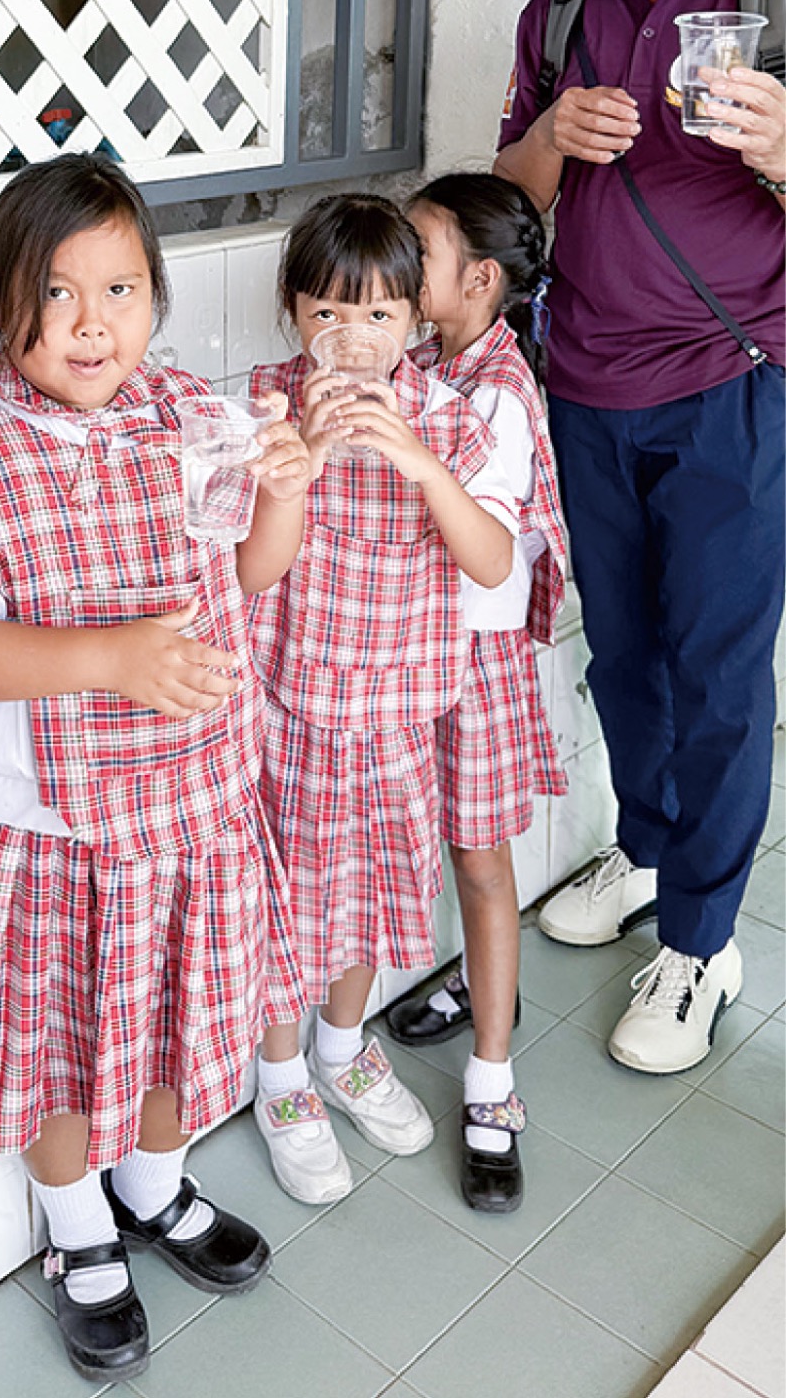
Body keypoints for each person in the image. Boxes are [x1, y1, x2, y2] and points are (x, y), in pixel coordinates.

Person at [0, 154, 312, 1386]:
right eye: (57, 293)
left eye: (121, 290)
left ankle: (159, 1189)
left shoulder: (184, 411)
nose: (92, 323)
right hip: (47, 832)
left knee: (178, 1028)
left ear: (155, 299)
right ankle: (79, 1236)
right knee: (65, 1047)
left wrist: (289, 489)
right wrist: (111, 656)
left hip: (195, 808)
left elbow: (251, 575)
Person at [495, 0, 785, 1074]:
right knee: (624, 653)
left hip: (739, 386)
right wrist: (557, 130)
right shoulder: (566, 3)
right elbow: (504, 199)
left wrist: (783, 144)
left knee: (722, 671)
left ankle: (703, 940)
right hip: (586, 385)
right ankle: (651, 849)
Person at [246, 193, 519, 1206]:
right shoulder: (268, 407)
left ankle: (343, 1049)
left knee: (365, 900)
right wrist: (307, 456)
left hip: (399, 719)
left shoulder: (447, 416)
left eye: (378, 317)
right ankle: (282, 1084)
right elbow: (245, 575)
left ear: (416, 319)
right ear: (293, 310)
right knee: (287, 908)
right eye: (328, 313)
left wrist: (416, 459)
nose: (351, 341)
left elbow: (490, 561)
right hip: (285, 719)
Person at [383, 173, 567, 1213]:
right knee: (437, 848)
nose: (401, 273)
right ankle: (468, 985)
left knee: (482, 863)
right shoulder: (425, 360)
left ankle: (492, 1083)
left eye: (419, 254)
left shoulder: (494, 394)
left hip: (473, 663)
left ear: (479, 280)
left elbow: (492, 562)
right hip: (410, 648)